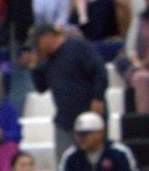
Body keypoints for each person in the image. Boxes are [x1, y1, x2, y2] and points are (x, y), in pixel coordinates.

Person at [28, 22, 108, 160]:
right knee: (66, 163)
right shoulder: (48, 61)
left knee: (95, 160)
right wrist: (35, 66)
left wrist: (97, 98)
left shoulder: (77, 46)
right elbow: (41, 88)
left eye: (37, 43)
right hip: (65, 121)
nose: (35, 47)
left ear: (48, 37)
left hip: (89, 116)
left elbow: (99, 71)